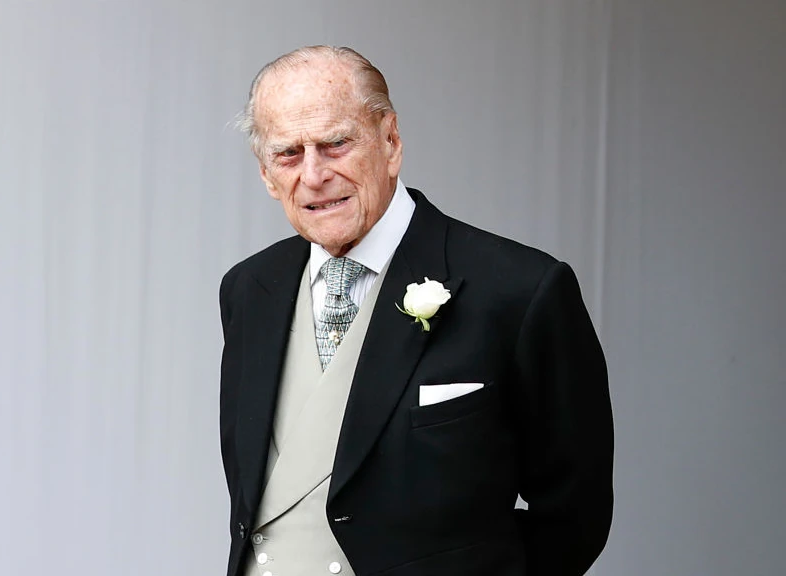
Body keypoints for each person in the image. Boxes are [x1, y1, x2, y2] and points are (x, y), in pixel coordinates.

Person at [218, 45, 613, 576]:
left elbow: (575, 515)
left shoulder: (520, 290)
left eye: (336, 144)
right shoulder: (247, 289)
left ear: (390, 141)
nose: (313, 175)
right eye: (288, 154)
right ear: (266, 174)